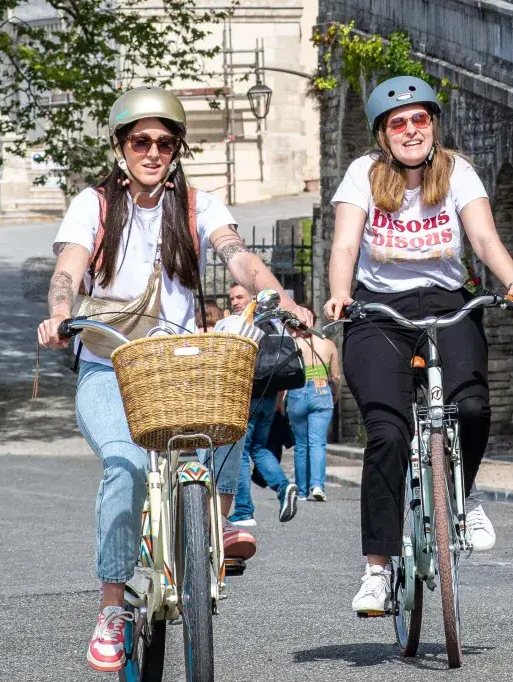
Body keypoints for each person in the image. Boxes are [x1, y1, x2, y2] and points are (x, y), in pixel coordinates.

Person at [33, 86, 313, 673]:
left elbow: (236, 254)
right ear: (119, 147)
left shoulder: (196, 205)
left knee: (234, 375)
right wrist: (61, 314)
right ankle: (112, 606)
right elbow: (68, 269)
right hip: (109, 363)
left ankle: (227, 514)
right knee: (125, 464)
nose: (153, 151)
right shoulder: (94, 205)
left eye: (165, 142)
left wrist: (279, 297)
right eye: (141, 141)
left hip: (178, 364)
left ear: (178, 149)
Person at [324, 75, 513, 616]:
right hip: (379, 311)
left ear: (434, 125)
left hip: (447, 302)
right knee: (388, 434)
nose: (411, 129)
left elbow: (484, 238)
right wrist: (339, 295)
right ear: (382, 134)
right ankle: (377, 568)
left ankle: (461, 500)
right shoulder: (362, 175)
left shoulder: (457, 171)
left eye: (420, 119)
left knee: (472, 406)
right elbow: (346, 243)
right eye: (398, 122)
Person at [215, 282, 299, 529]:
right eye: (232, 298)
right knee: (259, 448)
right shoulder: (276, 324)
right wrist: (280, 400)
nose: (235, 302)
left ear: (252, 298)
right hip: (270, 395)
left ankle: (242, 510)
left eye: (239, 297)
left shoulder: (249, 323)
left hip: (250, 394)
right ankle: (284, 487)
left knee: (239, 452)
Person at [286, 321, 340, 502]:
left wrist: (281, 401)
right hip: (321, 390)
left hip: (297, 392)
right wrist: (335, 394)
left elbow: (285, 374)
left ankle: (301, 492)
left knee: (301, 445)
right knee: (318, 443)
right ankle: (317, 485)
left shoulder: (293, 344)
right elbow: (336, 376)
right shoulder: (328, 344)